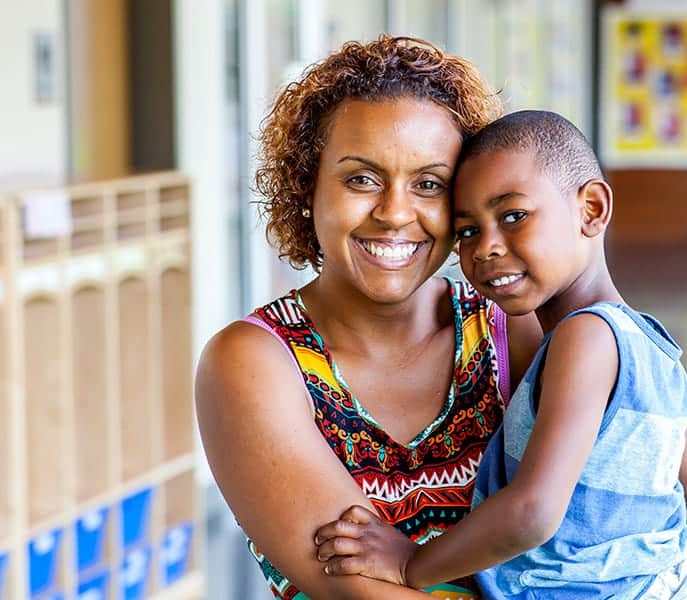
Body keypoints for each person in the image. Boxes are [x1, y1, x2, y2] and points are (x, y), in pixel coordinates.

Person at [314, 111, 687, 599]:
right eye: (467, 231)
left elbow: (533, 513)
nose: (486, 248)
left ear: (590, 208)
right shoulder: (649, 343)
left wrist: (409, 563)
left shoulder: (584, 340)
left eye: (512, 216)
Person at [194, 37, 542, 599]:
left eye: (429, 184)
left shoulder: (510, 327)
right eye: (362, 179)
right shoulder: (255, 363)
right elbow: (358, 591)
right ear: (308, 188)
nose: (395, 213)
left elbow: (656, 491)